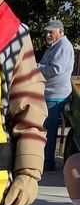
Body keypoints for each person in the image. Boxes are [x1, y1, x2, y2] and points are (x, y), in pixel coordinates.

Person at [38, 18, 74, 173]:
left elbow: (55, 70)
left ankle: (48, 162)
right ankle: (45, 160)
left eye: (51, 32)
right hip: (49, 92)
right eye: (46, 32)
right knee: (46, 129)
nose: (47, 35)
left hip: (55, 94)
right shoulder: (54, 46)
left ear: (61, 31)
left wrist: (37, 67)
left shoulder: (63, 47)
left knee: (48, 130)